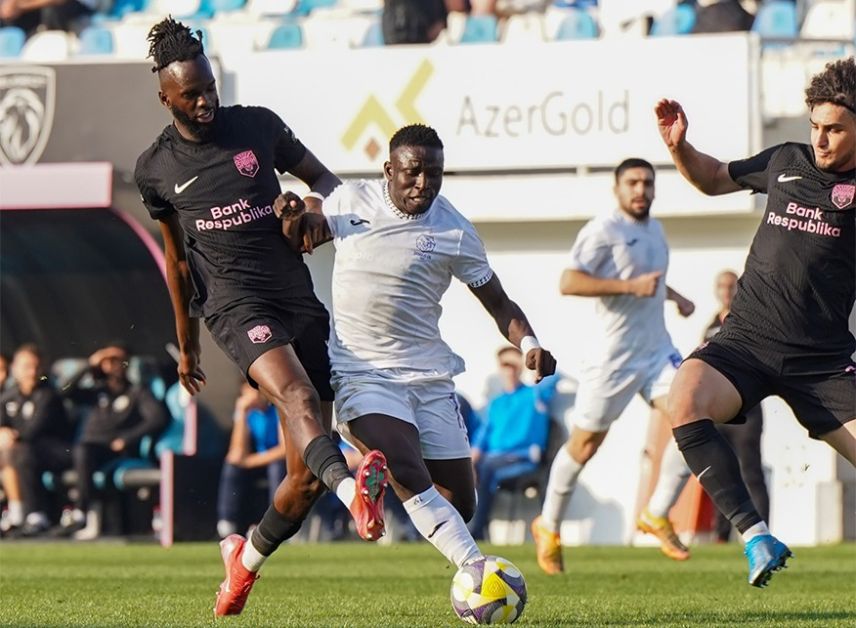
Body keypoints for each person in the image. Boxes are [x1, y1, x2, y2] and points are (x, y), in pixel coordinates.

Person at [133, 18, 388, 616]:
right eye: (191, 95)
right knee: (296, 397)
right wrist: (187, 346)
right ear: (165, 98)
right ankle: (355, 495)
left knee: (302, 482)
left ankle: (242, 564)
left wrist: (311, 208)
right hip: (233, 306)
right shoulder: (156, 169)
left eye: (210, 88)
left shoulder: (258, 126)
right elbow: (177, 263)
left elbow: (325, 181)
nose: (206, 102)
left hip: (295, 297)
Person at [279, 124, 557, 582]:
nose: (423, 183)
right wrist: (293, 216)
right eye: (413, 172)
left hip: (429, 378)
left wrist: (529, 344)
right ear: (389, 170)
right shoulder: (351, 201)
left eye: (434, 174)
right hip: (361, 373)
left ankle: (382, 494)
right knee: (403, 463)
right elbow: (302, 237)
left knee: (460, 504)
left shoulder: (454, 230)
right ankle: (478, 573)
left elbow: (499, 303)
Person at [656, 56, 855, 587]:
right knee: (685, 398)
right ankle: (755, 537)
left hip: (823, 363)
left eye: (835, 129)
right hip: (746, 341)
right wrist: (679, 148)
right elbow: (712, 178)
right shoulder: (786, 160)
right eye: (815, 126)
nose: (820, 139)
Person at [531, 157, 696, 574]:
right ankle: (548, 525)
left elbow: (650, 280)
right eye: (632, 183)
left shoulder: (655, 230)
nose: (641, 190)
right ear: (617, 189)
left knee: (695, 419)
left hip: (657, 351)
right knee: (585, 446)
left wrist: (675, 296)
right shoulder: (603, 231)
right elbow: (569, 281)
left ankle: (657, 513)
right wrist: (629, 287)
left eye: (647, 183)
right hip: (613, 359)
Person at [56, 344, 169, 540]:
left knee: (83, 451)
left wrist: (127, 438)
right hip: (87, 448)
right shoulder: (96, 392)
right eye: (107, 361)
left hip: (112, 449)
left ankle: (82, 511)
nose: (113, 366)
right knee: (81, 451)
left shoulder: (136, 392)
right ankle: (82, 513)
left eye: (118, 361)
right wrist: (89, 364)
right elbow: (63, 391)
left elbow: (157, 418)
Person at [705, 270, 770, 542]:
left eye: (731, 286)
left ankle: (764, 534)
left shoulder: (749, 319)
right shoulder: (711, 325)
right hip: (719, 414)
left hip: (746, 413)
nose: (726, 291)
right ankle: (721, 535)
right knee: (722, 473)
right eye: (722, 286)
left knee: (751, 473)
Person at [468, 346, 557, 540]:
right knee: (469, 468)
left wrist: (535, 366)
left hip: (523, 459)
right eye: (505, 365)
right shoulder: (496, 403)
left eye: (514, 365)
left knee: (487, 467)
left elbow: (555, 377)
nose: (509, 370)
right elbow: (482, 438)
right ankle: (465, 529)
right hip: (493, 461)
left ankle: (477, 531)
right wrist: (469, 463)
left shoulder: (535, 395)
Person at [0, 344, 73, 536]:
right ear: (15, 369)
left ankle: (34, 514)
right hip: (19, 453)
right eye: (26, 367)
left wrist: (10, 436)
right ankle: (16, 513)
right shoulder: (9, 397)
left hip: (55, 451)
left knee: (21, 451)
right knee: (10, 453)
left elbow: (34, 431)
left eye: (36, 367)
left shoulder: (48, 396)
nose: (32, 372)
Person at [216, 383, 285, 540]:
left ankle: (277, 521)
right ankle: (227, 522)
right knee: (231, 467)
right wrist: (241, 413)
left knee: (276, 468)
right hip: (257, 463)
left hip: (278, 463)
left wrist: (249, 462)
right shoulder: (249, 414)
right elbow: (236, 454)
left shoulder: (277, 410)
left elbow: (284, 450)